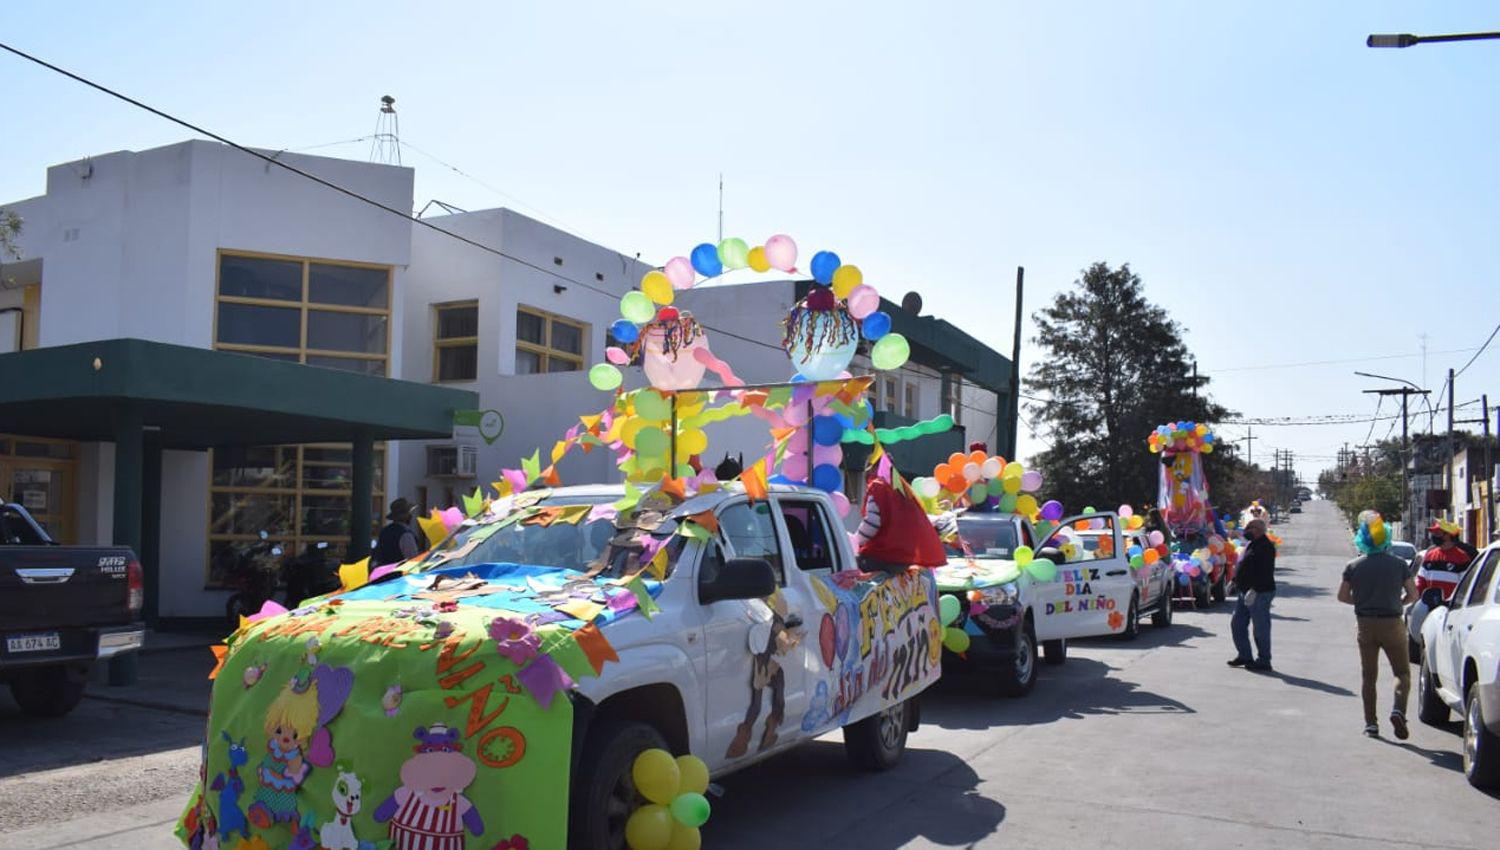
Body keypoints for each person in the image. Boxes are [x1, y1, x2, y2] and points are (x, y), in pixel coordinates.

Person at [1337, 510, 1418, 739]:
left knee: (1368, 676)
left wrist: (1362, 601)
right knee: (1401, 672)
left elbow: (1342, 596)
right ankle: (1398, 710)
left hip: (1365, 623)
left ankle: (1371, 724)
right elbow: (1414, 594)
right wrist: (1399, 602)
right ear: (1386, 538)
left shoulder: (1353, 565)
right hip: (1392, 621)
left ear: (1363, 538)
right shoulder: (1399, 564)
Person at [1228, 517, 1276, 671]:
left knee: (1260, 627)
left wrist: (1254, 589)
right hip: (1244, 592)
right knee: (1237, 624)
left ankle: (1264, 660)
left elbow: (1265, 572)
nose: (1246, 530)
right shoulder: (1251, 544)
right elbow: (1244, 563)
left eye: (1250, 527)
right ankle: (1245, 656)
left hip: (1259, 592)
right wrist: (1235, 580)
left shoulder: (1265, 546)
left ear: (1259, 530)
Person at [1414, 518, 1478, 600]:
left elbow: (1466, 585)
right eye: (1434, 533)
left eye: (1437, 533)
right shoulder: (1430, 555)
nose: (1434, 536)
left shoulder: (1462, 557)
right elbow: (1421, 581)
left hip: (1452, 607)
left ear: (1448, 535)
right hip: (1430, 605)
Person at [373, 498, 420, 566]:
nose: (411, 515)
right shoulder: (405, 534)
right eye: (408, 513)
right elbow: (413, 560)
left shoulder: (384, 531)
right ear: (405, 515)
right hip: (400, 574)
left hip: (385, 573)